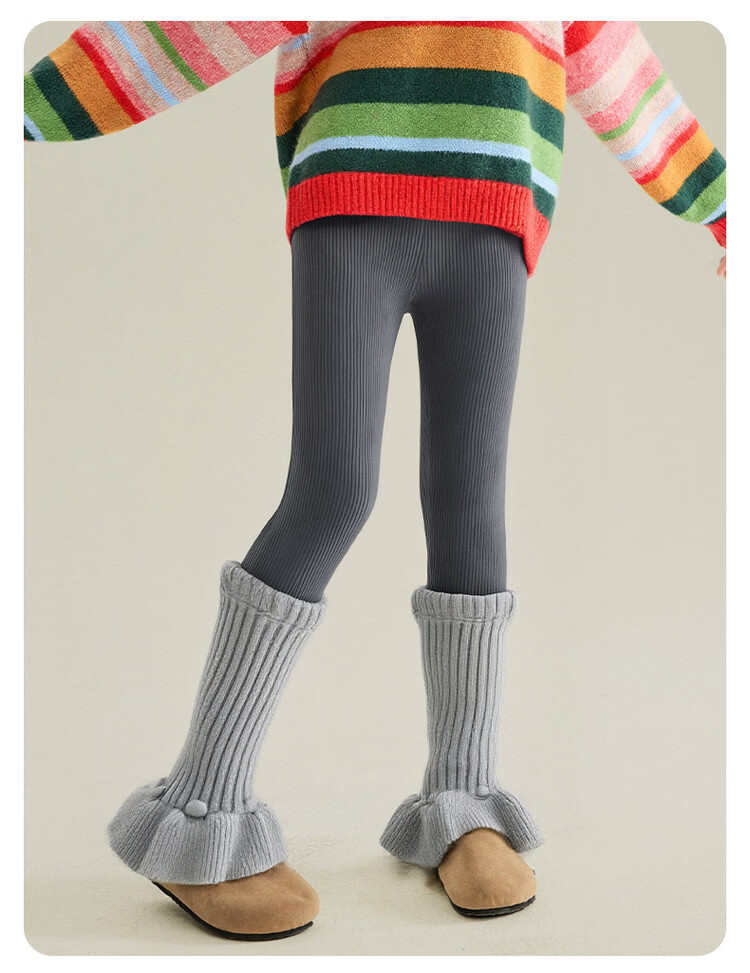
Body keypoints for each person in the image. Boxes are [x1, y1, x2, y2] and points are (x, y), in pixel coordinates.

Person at [24, 20, 727, 941]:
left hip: (498, 211)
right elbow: (200, 25)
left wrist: (720, 200)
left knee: (472, 505)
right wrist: (33, 105)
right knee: (334, 490)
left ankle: (463, 800)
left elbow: (617, 70)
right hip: (355, 193)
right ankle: (199, 806)